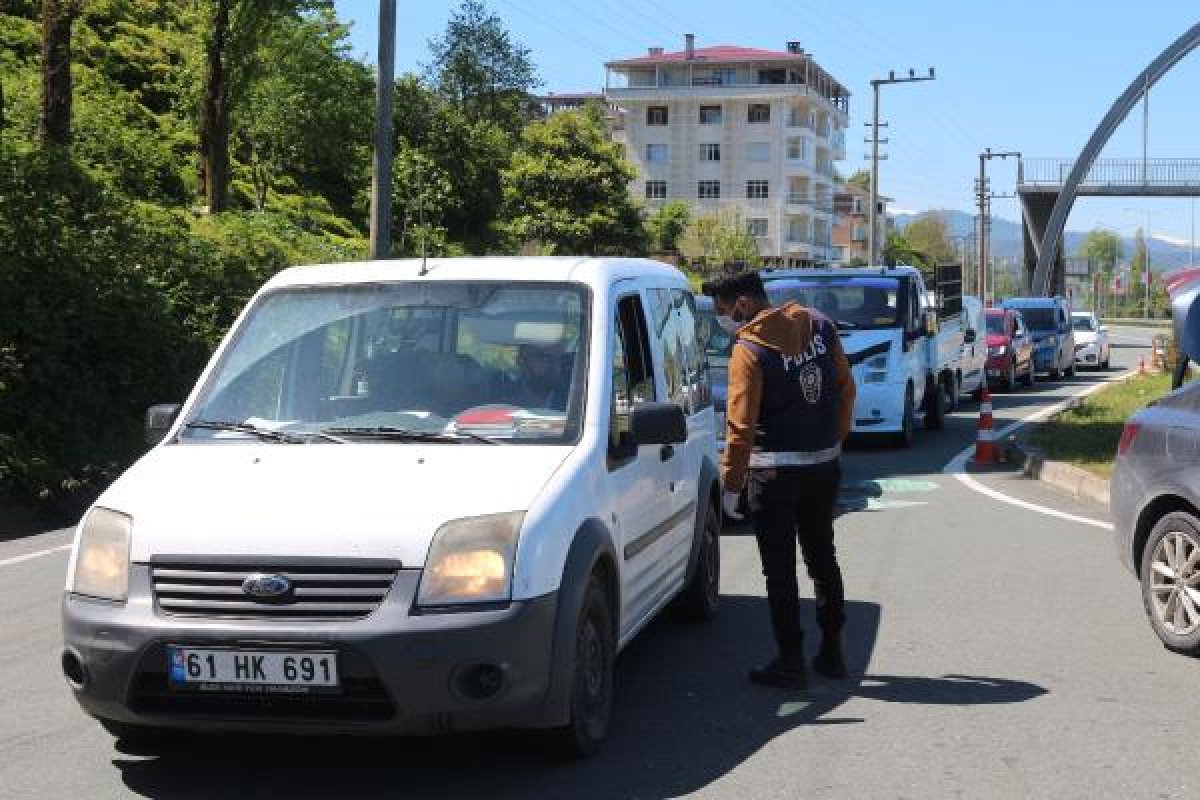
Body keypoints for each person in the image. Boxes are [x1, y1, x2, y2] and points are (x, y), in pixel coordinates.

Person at [702, 271, 856, 689]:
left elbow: (740, 423)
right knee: (823, 557)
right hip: (823, 466)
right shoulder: (820, 325)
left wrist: (731, 484)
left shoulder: (749, 349)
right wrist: (834, 437)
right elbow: (845, 387)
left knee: (780, 570)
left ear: (743, 303)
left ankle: (790, 661)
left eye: (723, 311)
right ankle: (832, 651)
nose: (724, 320)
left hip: (771, 473)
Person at [509, 341, 570, 410]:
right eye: (542, 357)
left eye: (558, 359)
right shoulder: (504, 399)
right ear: (521, 361)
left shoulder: (572, 401)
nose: (552, 365)